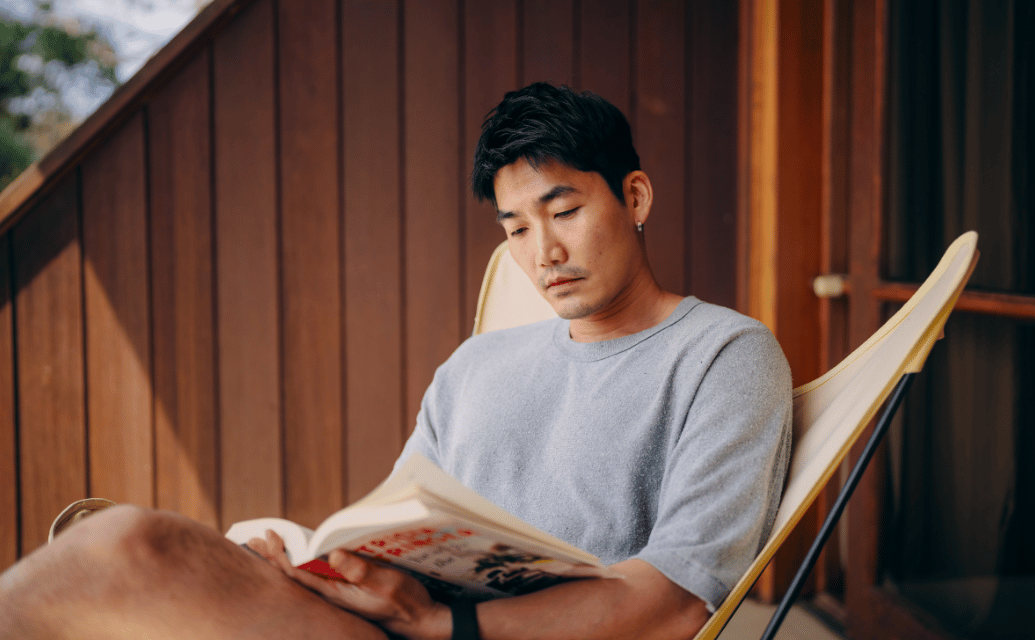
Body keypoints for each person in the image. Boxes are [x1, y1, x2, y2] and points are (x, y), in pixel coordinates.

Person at [0, 83, 791, 640]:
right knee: (134, 549)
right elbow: (394, 529)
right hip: (393, 624)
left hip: (465, 633)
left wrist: (443, 624)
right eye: (515, 228)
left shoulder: (724, 355)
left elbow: (680, 605)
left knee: (122, 552)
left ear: (637, 198)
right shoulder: (476, 366)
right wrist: (318, 565)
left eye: (566, 211)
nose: (542, 252)